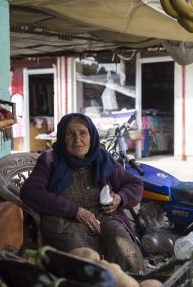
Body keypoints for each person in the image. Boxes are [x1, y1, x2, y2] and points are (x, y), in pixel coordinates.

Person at [20, 113, 146, 271]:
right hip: (63, 220)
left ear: (91, 136)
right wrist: (73, 210)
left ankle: (135, 286)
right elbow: (30, 191)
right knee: (83, 259)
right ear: (62, 137)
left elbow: (134, 183)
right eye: (70, 134)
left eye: (82, 133)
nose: (77, 139)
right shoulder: (50, 160)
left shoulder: (102, 159)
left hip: (103, 217)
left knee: (125, 248)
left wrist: (120, 198)